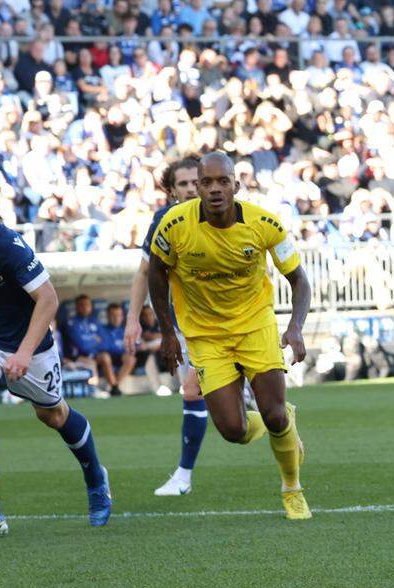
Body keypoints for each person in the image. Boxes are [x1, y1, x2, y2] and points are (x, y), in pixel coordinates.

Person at [147, 152, 314, 520]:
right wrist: (167, 333)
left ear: (236, 186)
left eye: (223, 181)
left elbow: (299, 279)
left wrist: (295, 326)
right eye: (207, 182)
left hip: (255, 326)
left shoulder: (264, 222)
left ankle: (292, 490)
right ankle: (283, 423)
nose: (215, 189)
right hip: (206, 337)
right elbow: (156, 274)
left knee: (272, 415)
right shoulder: (175, 225)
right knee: (233, 430)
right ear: (198, 189)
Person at [0, 219, 112, 534]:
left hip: (28, 340)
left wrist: (24, 353)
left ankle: (96, 477)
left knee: (54, 415)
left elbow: (48, 299)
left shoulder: (2, 240)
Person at [123, 155, 213, 497]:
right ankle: (184, 476)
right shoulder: (164, 220)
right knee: (197, 396)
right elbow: (145, 272)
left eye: (197, 182)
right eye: (184, 184)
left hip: (235, 323)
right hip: (188, 327)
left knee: (242, 416)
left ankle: (184, 475)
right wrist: (133, 319)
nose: (192, 189)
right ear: (172, 191)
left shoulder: (228, 213)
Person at [99, 302, 138, 389]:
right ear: (108, 316)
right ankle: (114, 385)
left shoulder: (124, 330)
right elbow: (103, 347)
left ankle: (115, 386)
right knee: (105, 356)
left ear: (122, 316)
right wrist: (120, 349)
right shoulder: (101, 329)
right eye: (113, 315)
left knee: (131, 358)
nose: (116, 318)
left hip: (120, 357)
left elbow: (133, 347)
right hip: (107, 358)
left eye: (119, 315)